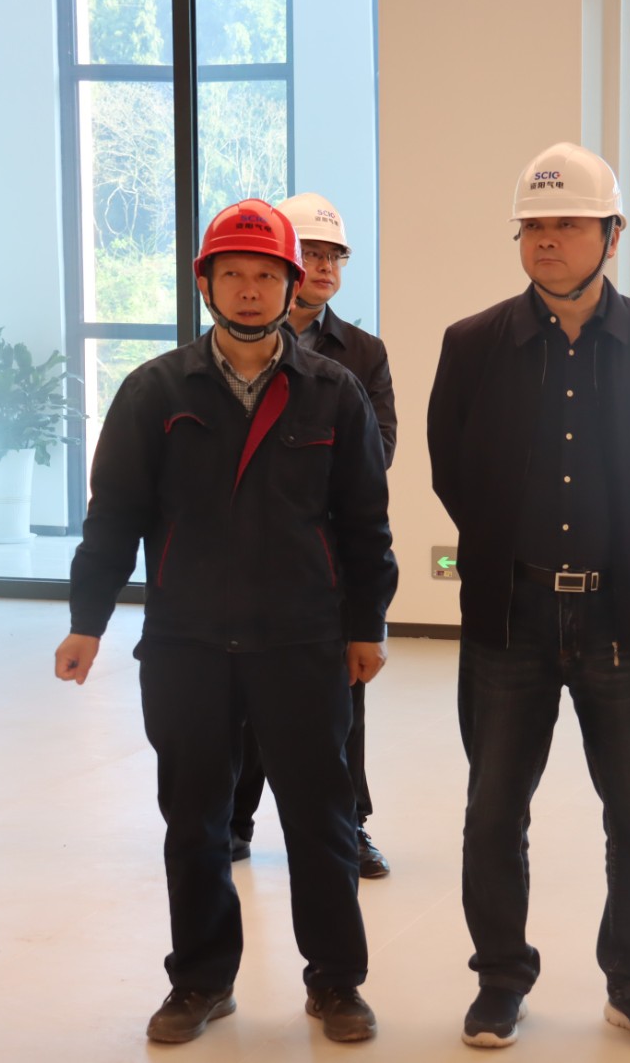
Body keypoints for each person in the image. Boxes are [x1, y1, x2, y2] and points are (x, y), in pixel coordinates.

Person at [53, 198, 398, 1046]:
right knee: (196, 820)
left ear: (291, 285)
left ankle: (336, 982)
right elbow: (114, 513)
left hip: (302, 640)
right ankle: (201, 980)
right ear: (205, 283)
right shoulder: (156, 390)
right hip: (188, 642)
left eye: (266, 275)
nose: (249, 290)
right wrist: (87, 619)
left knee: (321, 819)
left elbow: (365, 522)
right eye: (233, 273)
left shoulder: (334, 392)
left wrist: (367, 624)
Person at [427, 142, 630, 1053]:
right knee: (492, 811)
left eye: (568, 224)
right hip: (509, 615)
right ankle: (500, 979)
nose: (546, 240)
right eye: (534, 226)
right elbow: (450, 468)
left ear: (612, 234)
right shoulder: (473, 344)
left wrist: (628, 550)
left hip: (622, 615)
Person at [229, 192, 398, 880]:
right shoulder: (231, 339)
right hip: (242, 555)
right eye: (313, 253)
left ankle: (348, 825)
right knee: (241, 696)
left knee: (340, 703)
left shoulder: (362, 351)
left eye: (336, 256)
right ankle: (233, 822)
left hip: (326, 557)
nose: (325, 266)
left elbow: (378, 449)